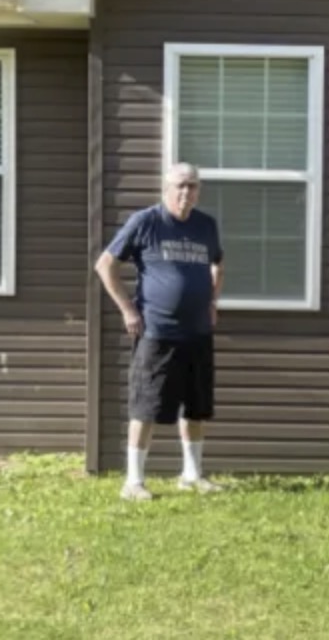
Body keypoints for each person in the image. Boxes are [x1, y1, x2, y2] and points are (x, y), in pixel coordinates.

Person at [94, 162, 224, 500]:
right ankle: (133, 482)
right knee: (146, 406)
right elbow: (105, 264)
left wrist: (212, 300)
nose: (186, 192)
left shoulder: (206, 225)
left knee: (196, 407)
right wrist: (127, 309)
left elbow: (218, 262)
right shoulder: (146, 222)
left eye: (192, 186)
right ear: (166, 189)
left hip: (197, 332)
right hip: (157, 332)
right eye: (180, 186)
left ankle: (192, 475)